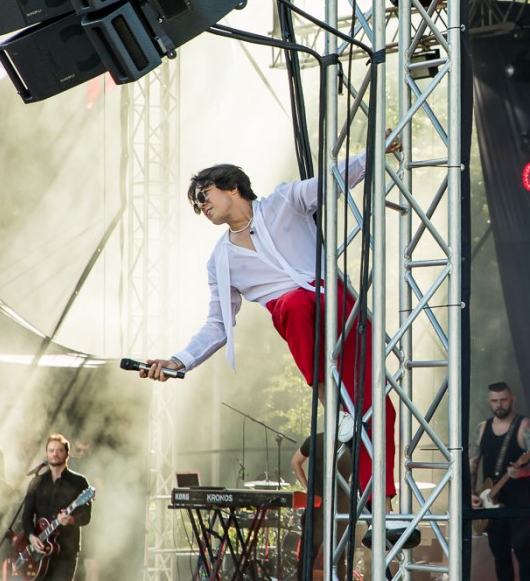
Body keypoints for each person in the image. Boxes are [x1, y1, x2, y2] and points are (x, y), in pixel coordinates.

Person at [139, 140, 400, 501]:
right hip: (297, 314)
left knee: (379, 409)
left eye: (204, 195)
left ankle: (379, 505)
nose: (201, 206)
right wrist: (179, 361)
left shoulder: (284, 201)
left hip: (337, 302)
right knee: (293, 303)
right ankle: (332, 404)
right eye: (197, 204)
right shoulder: (221, 261)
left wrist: (375, 150)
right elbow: (218, 325)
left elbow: (332, 181)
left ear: (232, 186)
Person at [469, 382, 530, 581]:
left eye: (503, 400)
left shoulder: (525, 426)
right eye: (494, 401)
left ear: (512, 400)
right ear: (489, 401)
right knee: (500, 554)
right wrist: (470, 493)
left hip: (520, 503)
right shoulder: (482, 429)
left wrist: (522, 472)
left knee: (523, 550)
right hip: (491, 502)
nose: (499, 405)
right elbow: (472, 463)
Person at [21, 434, 92, 581]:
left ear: (67, 454)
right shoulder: (37, 482)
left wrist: (71, 520)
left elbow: (86, 516)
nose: (55, 454)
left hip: (65, 552)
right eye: (51, 450)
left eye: (59, 450)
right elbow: (26, 515)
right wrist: (31, 537)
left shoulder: (79, 482)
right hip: (40, 551)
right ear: (46, 454)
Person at [290, 431, 353, 579]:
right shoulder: (351, 442)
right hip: (340, 506)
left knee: (307, 556)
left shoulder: (315, 439)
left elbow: (295, 462)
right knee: (338, 556)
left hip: (317, 504)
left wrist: (307, 487)